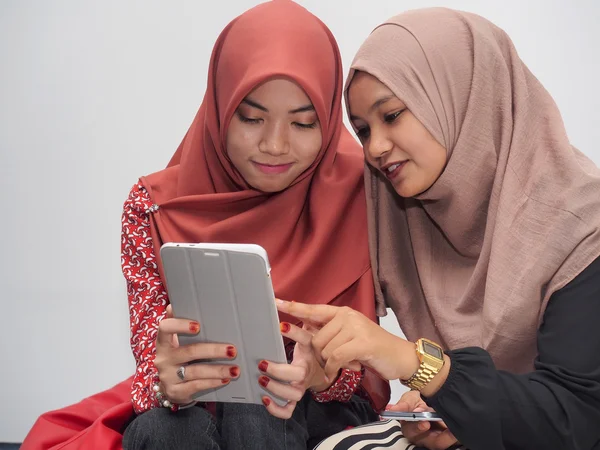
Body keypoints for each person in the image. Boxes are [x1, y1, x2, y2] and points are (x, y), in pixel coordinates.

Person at [21, 2, 389, 449]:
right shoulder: (155, 207)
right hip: (195, 406)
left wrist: (319, 375)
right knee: (164, 428)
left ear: (328, 121)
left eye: (303, 122)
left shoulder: (360, 193)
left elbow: (360, 371)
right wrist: (166, 383)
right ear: (219, 108)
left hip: (319, 406)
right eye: (251, 118)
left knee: (256, 409)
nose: (275, 145)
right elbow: (151, 359)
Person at [278, 7, 600, 450]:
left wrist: (417, 363)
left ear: (462, 95)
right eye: (363, 129)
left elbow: (579, 417)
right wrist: (441, 407)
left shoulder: (583, 224)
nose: (375, 148)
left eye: (391, 116)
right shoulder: (402, 212)